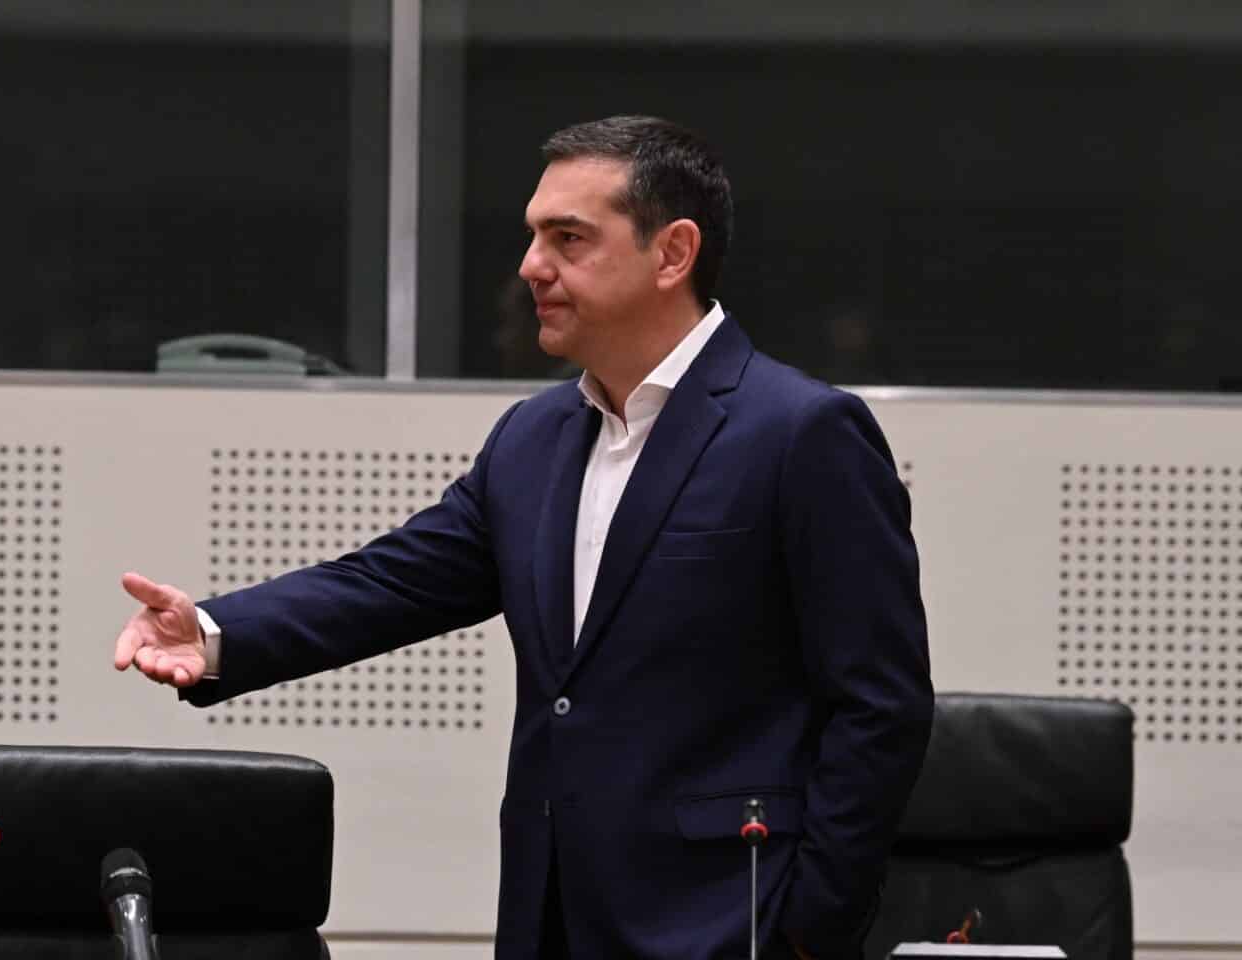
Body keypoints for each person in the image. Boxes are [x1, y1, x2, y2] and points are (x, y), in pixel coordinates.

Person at [112, 115, 931, 960]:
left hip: (728, 920)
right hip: (551, 918)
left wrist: (811, 931)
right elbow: (390, 582)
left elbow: (881, 707)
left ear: (673, 253)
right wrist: (214, 633)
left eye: (568, 238)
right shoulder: (533, 438)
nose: (531, 266)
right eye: (534, 236)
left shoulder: (801, 433)